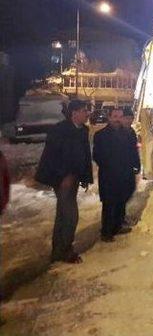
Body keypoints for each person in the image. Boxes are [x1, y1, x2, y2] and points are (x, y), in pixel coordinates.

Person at [35, 100, 92, 264]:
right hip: (60, 179)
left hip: (73, 179)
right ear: (74, 113)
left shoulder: (82, 130)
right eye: (83, 110)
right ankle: (66, 251)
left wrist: (84, 178)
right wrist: (63, 177)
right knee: (71, 215)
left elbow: (84, 157)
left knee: (62, 215)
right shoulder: (59, 130)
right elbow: (52, 157)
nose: (87, 113)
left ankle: (58, 251)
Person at [93, 107, 140, 242]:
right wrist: (110, 166)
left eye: (120, 116)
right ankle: (106, 232)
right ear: (109, 117)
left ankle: (118, 225)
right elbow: (97, 155)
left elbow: (133, 151)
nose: (117, 119)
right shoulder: (101, 135)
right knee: (109, 203)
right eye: (115, 116)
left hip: (125, 173)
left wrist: (136, 165)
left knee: (121, 200)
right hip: (109, 175)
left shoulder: (128, 133)